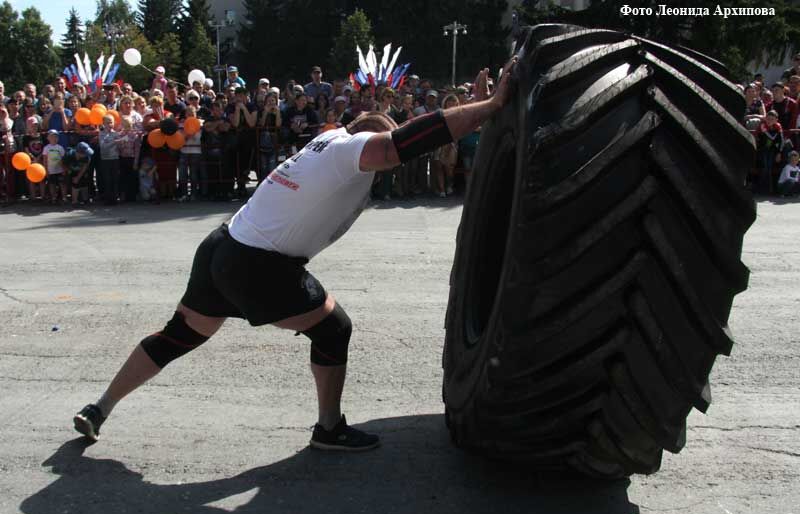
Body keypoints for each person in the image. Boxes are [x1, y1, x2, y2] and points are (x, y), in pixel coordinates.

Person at [72, 59, 518, 450]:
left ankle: (99, 407)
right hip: (258, 265)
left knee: (178, 337)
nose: (390, 163)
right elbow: (400, 144)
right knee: (334, 329)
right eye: (386, 152)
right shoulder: (351, 150)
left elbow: (412, 138)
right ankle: (329, 429)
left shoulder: (326, 144)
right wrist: (492, 106)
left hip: (222, 245)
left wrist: (471, 115)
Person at [431, 94, 460, 197]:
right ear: (445, 103)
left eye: (453, 102)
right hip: (439, 143)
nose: (451, 104)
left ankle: (449, 186)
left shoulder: (459, 115)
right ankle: (442, 189)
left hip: (452, 144)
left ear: (457, 103)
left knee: (449, 169)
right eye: (449, 102)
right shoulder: (440, 114)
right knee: (438, 167)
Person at [178, 107, 203, 202]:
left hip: (196, 151)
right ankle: (184, 194)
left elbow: (197, 137)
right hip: (184, 151)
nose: (190, 115)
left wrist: (190, 133)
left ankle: (193, 194)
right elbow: (180, 138)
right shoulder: (181, 124)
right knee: (182, 174)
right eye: (188, 113)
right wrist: (188, 134)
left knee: (194, 174)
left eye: (192, 113)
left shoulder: (200, 123)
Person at [756, 110, 784, 194]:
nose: (769, 121)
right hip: (762, 149)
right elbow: (770, 137)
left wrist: (779, 152)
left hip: (771, 149)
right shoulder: (762, 125)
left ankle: (769, 189)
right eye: (768, 119)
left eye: (772, 119)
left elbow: (781, 140)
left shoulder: (778, 126)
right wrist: (776, 133)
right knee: (764, 167)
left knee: (769, 167)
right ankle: (760, 188)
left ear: (776, 120)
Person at [98, 114, 124, 204]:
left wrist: (121, 143)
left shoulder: (116, 133)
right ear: (103, 124)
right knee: (107, 179)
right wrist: (115, 142)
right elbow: (103, 146)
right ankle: (107, 198)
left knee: (115, 178)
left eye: (111, 122)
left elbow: (120, 147)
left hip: (115, 158)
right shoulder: (101, 134)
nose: (110, 124)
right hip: (105, 159)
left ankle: (115, 197)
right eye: (107, 123)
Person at [64, 141, 93, 206]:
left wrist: (78, 177)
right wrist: (68, 171)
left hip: (81, 171)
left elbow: (84, 167)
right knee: (75, 184)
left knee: (84, 184)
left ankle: (85, 200)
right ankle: (74, 201)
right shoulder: (69, 154)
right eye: (85, 153)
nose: (87, 155)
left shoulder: (87, 157)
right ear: (79, 152)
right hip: (71, 170)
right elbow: (62, 164)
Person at [42, 129, 67, 204]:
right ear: (48, 138)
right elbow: (45, 160)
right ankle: (53, 198)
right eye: (52, 137)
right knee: (52, 184)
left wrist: (64, 169)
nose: (54, 139)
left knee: (62, 184)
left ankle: (64, 197)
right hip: (50, 170)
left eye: (56, 137)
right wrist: (46, 170)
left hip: (59, 170)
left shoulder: (60, 148)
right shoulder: (46, 148)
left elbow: (63, 160)